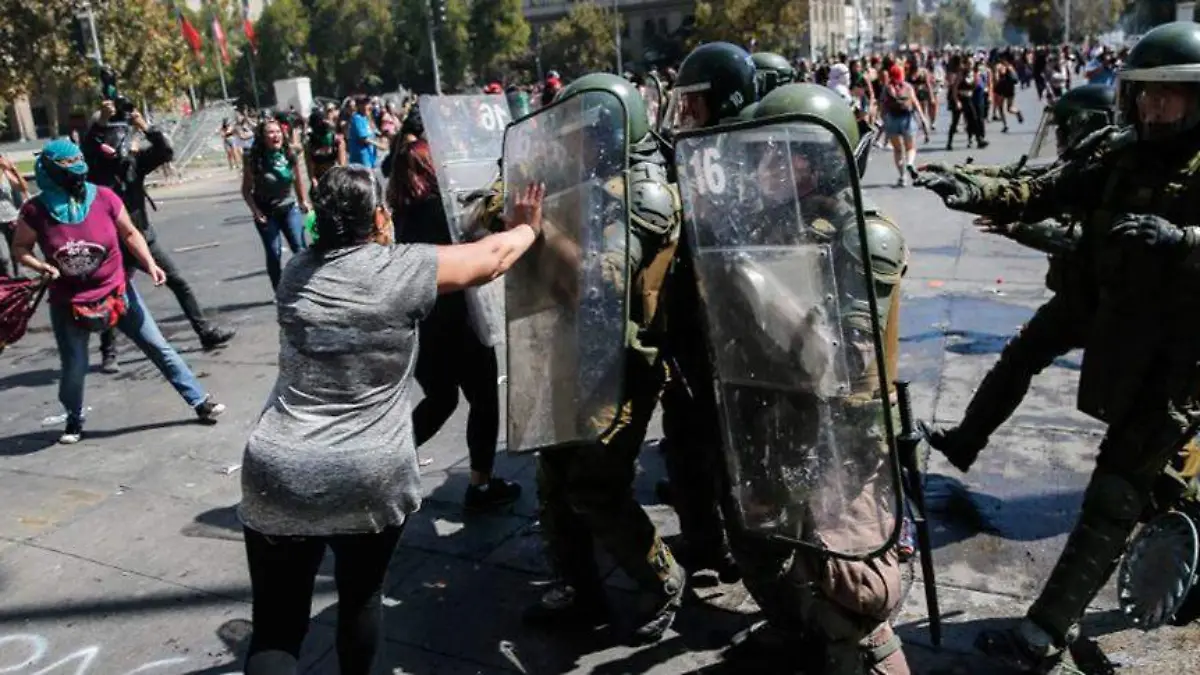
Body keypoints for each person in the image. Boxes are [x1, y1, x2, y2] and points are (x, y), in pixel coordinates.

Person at [912, 22, 1200, 672]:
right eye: (1145, 93)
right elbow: (1047, 186)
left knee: (1115, 490)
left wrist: (1183, 240)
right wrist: (974, 188)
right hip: (1128, 338)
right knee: (1144, 480)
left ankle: (1043, 631)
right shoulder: (1122, 154)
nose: (1153, 107)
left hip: (1184, 356)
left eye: (1169, 95)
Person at [238, 165, 544, 675]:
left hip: (279, 467)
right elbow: (490, 259)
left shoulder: (295, 272)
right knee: (360, 598)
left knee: (276, 629)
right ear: (380, 218)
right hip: (368, 473)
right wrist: (527, 227)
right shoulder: (402, 270)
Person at [701, 83, 910, 675]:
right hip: (774, 413)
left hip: (842, 431)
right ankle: (797, 629)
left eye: (782, 154)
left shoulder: (861, 235)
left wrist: (771, 302)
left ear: (820, 161)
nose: (765, 167)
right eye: (761, 154)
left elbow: (851, 357)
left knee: (852, 585)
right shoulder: (771, 222)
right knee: (761, 538)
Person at [510, 73, 687, 643]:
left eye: (575, 132)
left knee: (596, 487)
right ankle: (580, 590)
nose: (564, 143)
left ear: (606, 133)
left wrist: (539, 228)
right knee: (554, 475)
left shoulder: (645, 195)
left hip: (623, 366)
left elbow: (602, 280)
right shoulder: (580, 178)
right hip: (570, 352)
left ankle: (664, 581)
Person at [10, 139, 225, 444]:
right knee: (74, 367)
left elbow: (130, 233)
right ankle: (74, 418)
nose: (77, 172)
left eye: (78, 164)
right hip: (70, 302)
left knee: (158, 347)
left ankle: (200, 401)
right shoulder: (35, 210)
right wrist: (40, 265)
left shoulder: (105, 198)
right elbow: (20, 247)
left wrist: (150, 264)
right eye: (68, 167)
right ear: (51, 171)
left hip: (117, 292)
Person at [657, 41, 765, 582]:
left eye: (694, 102)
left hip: (726, 328)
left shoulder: (740, 155)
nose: (685, 113)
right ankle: (707, 539)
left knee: (722, 448)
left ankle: (741, 548)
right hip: (696, 327)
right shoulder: (699, 151)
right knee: (688, 441)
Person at [387, 138, 521, 512]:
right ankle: (480, 485)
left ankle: (384, 461)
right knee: (484, 400)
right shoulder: (439, 211)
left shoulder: (401, 210)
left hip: (421, 325)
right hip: (458, 322)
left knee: (441, 399)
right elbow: (476, 248)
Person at [83, 101, 236, 373]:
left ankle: (205, 332)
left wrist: (144, 126)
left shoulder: (133, 163)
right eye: (112, 132)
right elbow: (88, 148)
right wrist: (101, 121)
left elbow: (165, 152)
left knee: (178, 281)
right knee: (111, 294)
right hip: (113, 243)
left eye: (121, 131)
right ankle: (109, 352)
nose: (118, 138)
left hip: (142, 237)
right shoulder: (96, 166)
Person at [242, 118, 310, 292]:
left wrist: (303, 200)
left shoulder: (289, 153)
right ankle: (279, 291)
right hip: (266, 212)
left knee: (300, 249)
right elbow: (246, 190)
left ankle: (306, 287)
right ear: (262, 137)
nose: (275, 135)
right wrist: (255, 211)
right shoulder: (254, 159)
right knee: (274, 252)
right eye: (270, 132)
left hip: (289, 207)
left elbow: (297, 180)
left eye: (278, 132)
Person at [880, 62, 929, 186]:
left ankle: (902, 177)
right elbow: (915, 103)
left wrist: (883, 122)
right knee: (910, 148)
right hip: (907, 119)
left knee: (897, 150)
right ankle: (910, 163)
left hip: (892, 119)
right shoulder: (907, 87)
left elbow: (883, 106)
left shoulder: (887, 88)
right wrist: (922, 118)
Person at [0, 152, 30, 278]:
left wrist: (14, 170)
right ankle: (6, 282)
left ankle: (19, 283)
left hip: (12, 218)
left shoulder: (7, 173)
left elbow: (23, 187)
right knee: (3, 257)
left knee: (17, 254)